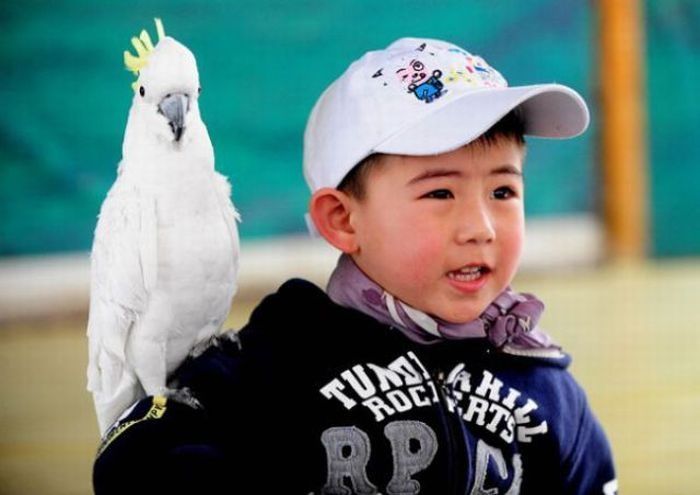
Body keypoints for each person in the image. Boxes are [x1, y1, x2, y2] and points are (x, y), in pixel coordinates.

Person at [93, 37, 617, 494]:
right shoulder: (276, 364)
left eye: (503, 190)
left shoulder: (548, 391)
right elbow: (135, 458)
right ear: (342, 220)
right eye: (440, 192)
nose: (480, 226)